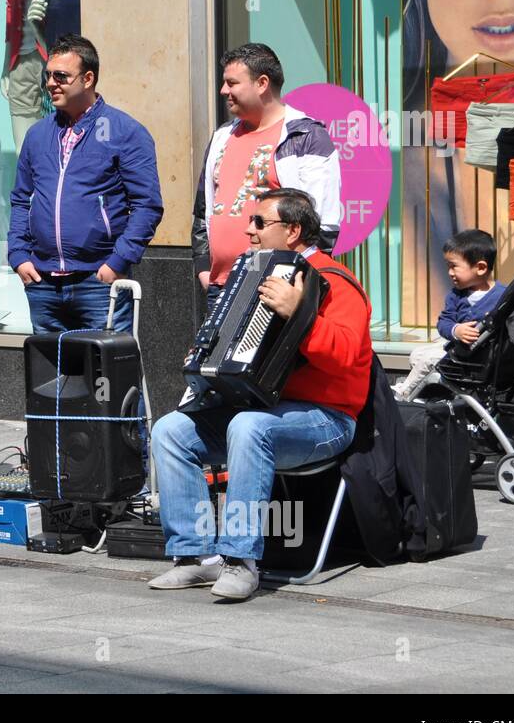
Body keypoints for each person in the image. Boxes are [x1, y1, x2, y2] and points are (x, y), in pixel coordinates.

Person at [150, 189, 370, 601]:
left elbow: (344, 357)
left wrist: (298, 315)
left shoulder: (337, 282)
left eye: (259, 222)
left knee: (250, 427)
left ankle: (241, 560)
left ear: (294, 231)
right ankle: (195, 556)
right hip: (261, 411)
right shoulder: (255, 272)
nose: (248, 230)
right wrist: (207, 354)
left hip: (327, 418)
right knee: (170, 430)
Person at [7, 34, 163, 334]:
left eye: (61, 76)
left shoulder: (125, 132)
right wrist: (18, 255)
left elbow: (147, 206)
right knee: (51, 378)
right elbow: (20, 199)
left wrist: (117, 262)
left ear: (88, 78)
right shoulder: (38, 135)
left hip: (98, 282)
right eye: (48, 75)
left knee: (109, 376)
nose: (51, 83)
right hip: (43, 284)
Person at [192, 43, 342, 312]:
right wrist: (204, 266)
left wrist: (293, 284)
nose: (223, 90)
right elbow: (204, 210)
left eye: (232, 83)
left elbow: (322, 223)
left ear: (262, 83)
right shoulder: (222, 137)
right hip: (220, 286)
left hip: (273, 288)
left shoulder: (305, 136)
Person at [394, 229, 506, 399]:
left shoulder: (502, 297)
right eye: (448, 267)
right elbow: (444, 322)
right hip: (456, 350)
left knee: (428, 360)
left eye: (454, 266)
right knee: (417, 354)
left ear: (481, 268)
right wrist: (455, 330)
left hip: (477, 358)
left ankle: (404, 394)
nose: (450, 272)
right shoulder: (456, 295)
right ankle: (434, 392)